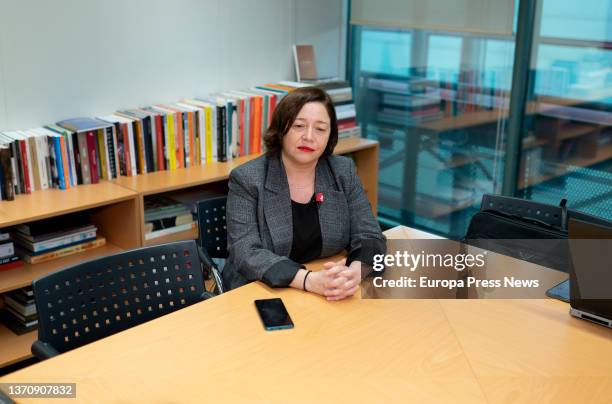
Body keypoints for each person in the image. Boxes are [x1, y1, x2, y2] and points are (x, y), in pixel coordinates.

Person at [222, 87, 386, 300]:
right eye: (299, 126)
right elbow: (245, 252)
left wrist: (353, 274)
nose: (309, 137)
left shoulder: (342, 171)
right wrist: (309, 280)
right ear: (281, 129)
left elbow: (370, 234)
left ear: (330, 136)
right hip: (262, 290)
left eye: (320, 129)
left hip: (328, 289)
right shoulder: (248, 179)